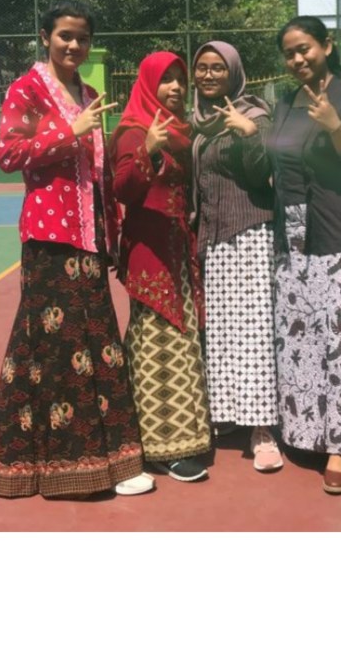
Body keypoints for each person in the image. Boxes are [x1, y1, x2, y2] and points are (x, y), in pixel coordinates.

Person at [0, 0, 154, 499]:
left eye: (82, 37)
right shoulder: (27, 90)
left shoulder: (91, 94)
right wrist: (67, 131)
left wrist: (112, 232)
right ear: (46, 37)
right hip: (49, 239)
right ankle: (62, 466)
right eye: (65, 36)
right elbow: (9, 154)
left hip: (90, 237)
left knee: (99, 344)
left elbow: (98, 173)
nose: (74, 45)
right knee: (57, 348)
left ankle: (109, 459)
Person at [267, 16, 341, 495]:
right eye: (290, 52)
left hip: (340, 235)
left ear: (327, 46)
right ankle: (307, 431)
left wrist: (336, 127)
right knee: (301, 340)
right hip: (291, 237)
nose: (298, 59)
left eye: (305, 48)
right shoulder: (284, 102)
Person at [110, 51, 212, 483]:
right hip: (150, 257)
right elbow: (122, 189)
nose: (175, 87)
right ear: (148, 84)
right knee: (156, 345)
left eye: (179, 80)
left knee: (183, 344)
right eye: (165, 80)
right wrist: (148, 150)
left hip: (179, 254)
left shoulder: (182, 131)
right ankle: (159, 446)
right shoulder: (133, 131)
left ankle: (188, 434)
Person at [191, 41, 282, 472]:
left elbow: (261, 176)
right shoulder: (197, 122)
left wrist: (247, 135)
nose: (209, 75)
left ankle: (262, 430)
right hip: (212, 239)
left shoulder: (255, 115)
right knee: (222, 336)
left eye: (218, 68)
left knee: (254, 335)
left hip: (249, 234)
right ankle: (228, 413)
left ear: (234, 73)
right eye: (202, 68)